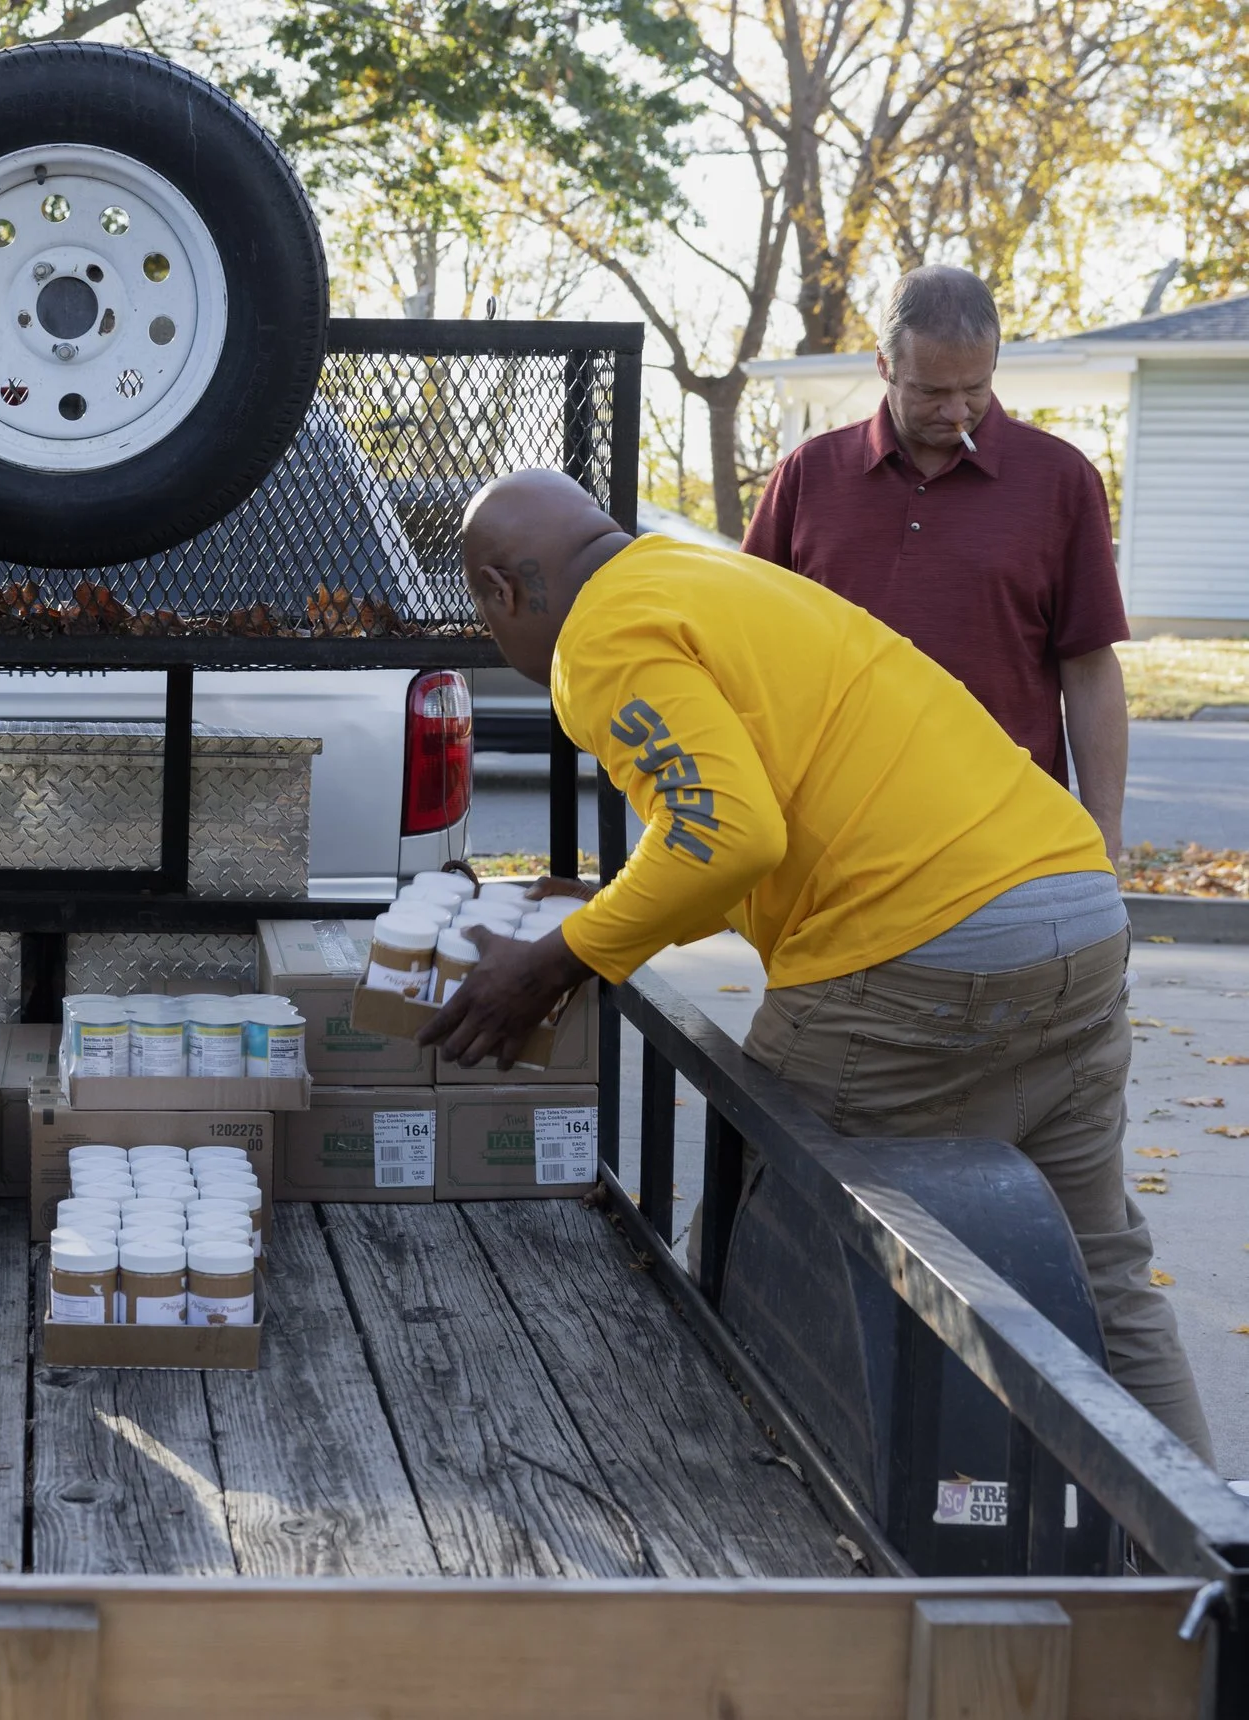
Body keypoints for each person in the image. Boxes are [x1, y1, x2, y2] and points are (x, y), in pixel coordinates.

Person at [426, 468, 1212, 1464]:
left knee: (755, 1238)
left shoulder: (599, 641)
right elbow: (745, 814)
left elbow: (725, 836)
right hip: (1073, 907)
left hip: (917, 951)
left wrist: (556, 961)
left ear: (502, 589)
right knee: (1103, 1273)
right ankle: (1206, 1561)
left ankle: (686, 1508)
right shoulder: (698, 576)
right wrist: (610, 908)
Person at [743, 265, 1129, 859]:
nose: (957, 411)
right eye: (930, 391)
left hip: (1003, 833)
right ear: (884, 366)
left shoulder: (1061, 480)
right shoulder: (809, 475)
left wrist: (1104, 830)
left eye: (975, 388)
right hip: (833, 830)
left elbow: (1089, 667)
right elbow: (749, 649)